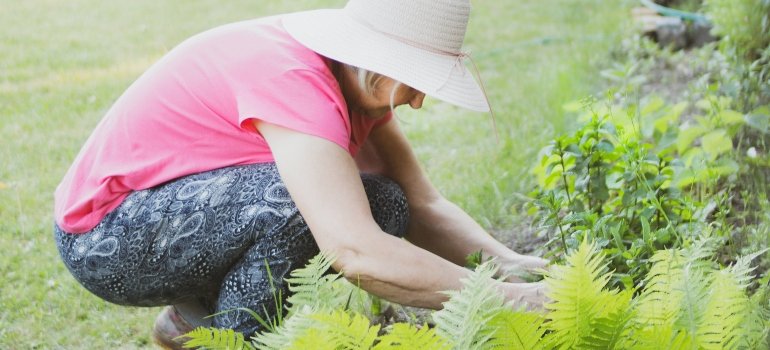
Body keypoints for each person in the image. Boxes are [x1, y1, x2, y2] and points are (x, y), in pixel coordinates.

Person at [53, 0, 549, 348]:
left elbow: (424, 204)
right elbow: (353, 249)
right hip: (105, 236)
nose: (420, 100)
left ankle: (193, 323)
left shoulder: (354, 84)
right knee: (298, 209)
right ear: (375, 60)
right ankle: (227, 344)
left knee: (386, 202)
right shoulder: (294, 81)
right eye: (417, 79)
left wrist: (517, 268)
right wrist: (510, 301)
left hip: (169, 215)